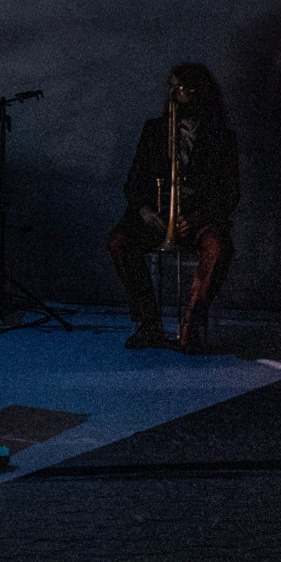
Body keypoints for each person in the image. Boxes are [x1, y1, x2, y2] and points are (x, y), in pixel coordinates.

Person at [105, 63, 241, 352]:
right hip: (156, 217)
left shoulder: (222, 137)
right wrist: (145, 211)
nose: (172, 93)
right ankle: (148, 323)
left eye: (180, 87)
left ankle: (191, 326)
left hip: (196, 219)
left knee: (218, 248)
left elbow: (230, 193)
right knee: (119, 242)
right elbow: (134, 181)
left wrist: (196, 217)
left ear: (197, 91)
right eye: (171, 86)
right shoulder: (154, 130)